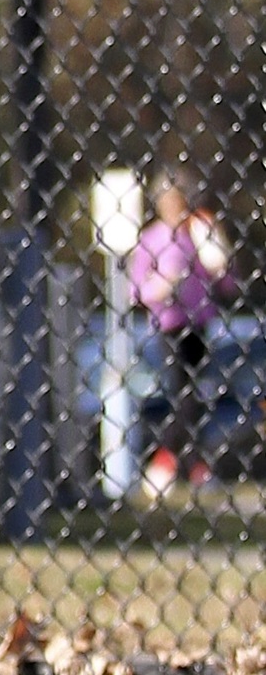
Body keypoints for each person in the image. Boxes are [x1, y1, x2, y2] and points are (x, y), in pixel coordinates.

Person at [129, 167, 236, 496]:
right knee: (183, 395)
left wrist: (221, 255)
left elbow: (227, 283)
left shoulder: (198, 233)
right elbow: (137, 290)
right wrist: (163, 285)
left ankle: (184, 465)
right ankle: (173, 464)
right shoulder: (153, 238)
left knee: (195, 395)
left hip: (200, 322)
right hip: (169, 325)